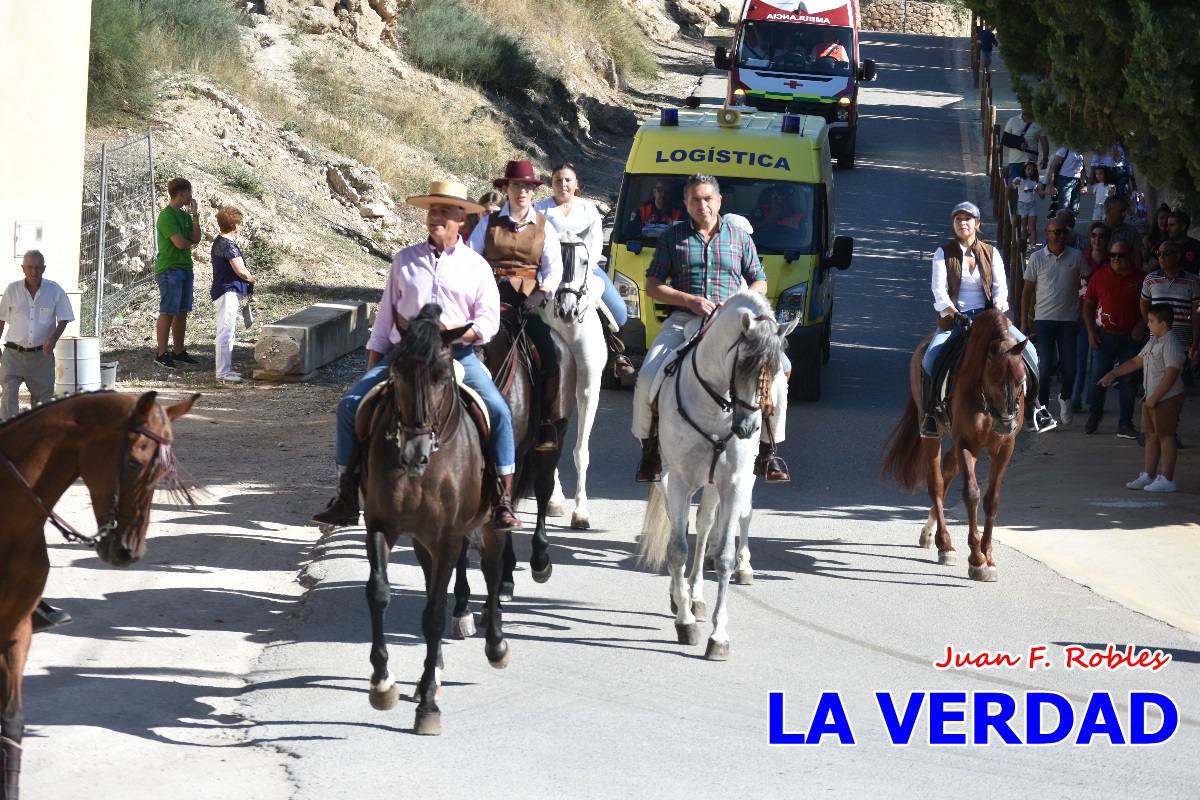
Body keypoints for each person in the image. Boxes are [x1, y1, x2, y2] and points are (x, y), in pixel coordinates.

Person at [312, 179, 521, 531]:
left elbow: (488, 321)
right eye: (432, 210)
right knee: (350, 405)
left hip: (458, 355)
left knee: (499, 412)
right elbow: (384, 320)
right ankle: (347, 492)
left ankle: (503, 498)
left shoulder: (477, 266)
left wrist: (456, 334)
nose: (435, 216)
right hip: (404, 356)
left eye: (443, 210)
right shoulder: (404, 260)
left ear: (461, 218)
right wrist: (374, 365)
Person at [632, 173, 792, 483]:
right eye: (695, 199)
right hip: (684, 320)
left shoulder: (739, 238)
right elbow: (652, 285)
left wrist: (738, 301)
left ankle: (769, 452)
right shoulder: (672, 237)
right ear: (686, 204)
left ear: (719, 201)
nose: (702, 205)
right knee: (647, 376)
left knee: (777, 378)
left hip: (733, 324)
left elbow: (760, 280)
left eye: (708, 198)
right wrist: (689, 300)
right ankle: (649, 449)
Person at [920, 202, 1053, 437]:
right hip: (955, 320)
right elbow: (939, 292)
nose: (962, 223)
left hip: (990, 319)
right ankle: (932, 413)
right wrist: (955, 314)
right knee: (930, 359)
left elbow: (1001, 290)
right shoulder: (944, 253)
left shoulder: (991, 253)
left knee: (1030, 351)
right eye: (958, 219)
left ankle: (1036, 407)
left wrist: (996, 312)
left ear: (977, 223)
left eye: (967, 218)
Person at [467, 159, 566, 451]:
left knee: (550, 354)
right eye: (516, 186)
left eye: (526, 187)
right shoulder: (488, 222)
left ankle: (547, 421)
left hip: (527, 302)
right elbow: (472, 258)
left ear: (533, 192)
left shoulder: (545, 227)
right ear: (506, 189)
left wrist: (542, 292)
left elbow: (553, 268)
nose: (521, 192)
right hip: (490, 296)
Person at [535, 163, 635, 377]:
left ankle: (615, 354)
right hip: (548, 269)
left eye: (567, 180)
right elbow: (535, 242)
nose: (563, 184)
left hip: (584, 269)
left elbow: (595, 242)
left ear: (576, 184)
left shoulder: (588, 208)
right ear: (551, 184)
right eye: (558, 180)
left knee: (619, 311)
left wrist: (585, 272)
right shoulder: (540, 209)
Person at [1100, 304, 1184, 493]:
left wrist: (1155, 398)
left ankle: (1167, 479)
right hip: (1151, 397)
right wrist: (1113, 374)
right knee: (1151, 436)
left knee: (1166, 437)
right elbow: (1136, 362)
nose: (1148, 324)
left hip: (1166, 398)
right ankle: (1149, 475)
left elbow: (1171, 375)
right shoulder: (1154, 341)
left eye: (1152, 321)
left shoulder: (1171, 343)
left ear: (1163, 323)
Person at [1022, 219, 1086, 426]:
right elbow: (1027, 292)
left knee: (1070, 368)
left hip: (1068, 321)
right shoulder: (1037, 258)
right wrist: (1024, 322)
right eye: (1054, 232)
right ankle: (1043, 412)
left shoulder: (1076, 257)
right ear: (1047, 234)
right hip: (1043, 320)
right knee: (1045, 367)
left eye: (1061, 231)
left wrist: (1083, 311)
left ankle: (1065, 398)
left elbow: (1089, 284)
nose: (1058, 235)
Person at [0, 250, 74, 419]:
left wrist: (53, 339)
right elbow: (1, 319)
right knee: (8, 398)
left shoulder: (54, 290)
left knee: (42, 404)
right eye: (30, 267)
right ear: (23, 268)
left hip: (42, 355)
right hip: (13, 354)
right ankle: (9, 439)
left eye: (38, 267)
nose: (34, 271)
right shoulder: (12, 290)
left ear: (44, 268)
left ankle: (36, 439)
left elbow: (64, 318)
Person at [1083, 239, 1144, 437]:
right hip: (1104, 337)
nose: (1116, 259)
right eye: (1113, 255)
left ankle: (1125, 423)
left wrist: (1142, 324)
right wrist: (1091, 331)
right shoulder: (1100, 276)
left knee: (1129, 381)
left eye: (1121, 255)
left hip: (1131, 339)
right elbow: (1089, 304)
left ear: (1131, 256)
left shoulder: (1142, 278)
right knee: (1098, 378)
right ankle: (1095, 413)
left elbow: (1149, 306)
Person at [154, 177, 203, 370]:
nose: (191, 197)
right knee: (168, 312)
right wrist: (188, 241)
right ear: (182, 193)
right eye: (189, 193)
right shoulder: (166, 216)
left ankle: (178, 351)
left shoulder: (184, 216)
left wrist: (195, 216)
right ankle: (161, 353)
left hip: (185, 268)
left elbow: (195, 237)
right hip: (170, 270)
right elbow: (180, 243)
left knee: (182, 311)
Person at [210, 206, 254, 384]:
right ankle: (222, 373)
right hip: (227, 291)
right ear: (235, 225)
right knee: (226, 331)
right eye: (240, 224)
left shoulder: (221, 241)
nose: (241, 227)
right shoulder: (227, 245)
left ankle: (225, 370)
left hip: (228, 291)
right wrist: (252, 278)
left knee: (229, 330)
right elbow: (241, 271)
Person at [1140, 240, 1200, 365]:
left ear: (1177, 256)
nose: (1161, 257)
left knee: (1178, 381)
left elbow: (1196, 313)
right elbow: (1143, 304)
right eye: (1159, 253)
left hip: (1182, 343)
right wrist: (1150, 324)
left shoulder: (1193, 281)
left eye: (1166, 254)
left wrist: (1195, 342)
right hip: (1157, 341)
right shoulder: (1150, 279)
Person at [1071, 222, 1109, 411]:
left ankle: (1093, 400)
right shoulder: (1080, 258)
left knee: (1097, 364)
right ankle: (1075, 398)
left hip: (1103, 319)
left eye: (1102, 236)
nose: (1097, 239)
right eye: (1094, 235)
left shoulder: (1113, 260)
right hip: (1079, 316)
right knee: (1079, 361)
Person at [1001, 110, 1048, 186]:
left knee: (1029, 188)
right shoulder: (1012, 121)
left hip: (1031, 162)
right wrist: (1018, 144)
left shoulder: (1039, 123)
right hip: (1015, 161)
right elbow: (1005, 140)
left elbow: (1044, 142)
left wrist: (1045, 158)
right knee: (1014, 188)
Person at [1044, 147, 1086, 219]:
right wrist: (1051, 185)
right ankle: (1060, 228)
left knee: (1074, 208)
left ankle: (1070, 228)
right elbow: (1053, 167)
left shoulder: (1080, 150)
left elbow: (1082, 170)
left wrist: (1084, 185)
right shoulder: (1064, 150)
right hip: (1064, 180)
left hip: (1077, 181)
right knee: (1063, 208)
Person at [1011, 162, 1043, 249]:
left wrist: (1042, 191)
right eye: (1028, 169)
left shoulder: (1034, 181)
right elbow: (1013, 185)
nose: (1030, 171)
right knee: (1024, 227)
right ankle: (1024, 245)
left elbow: (1039, 192)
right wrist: (1015, 183)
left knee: (1033, 226)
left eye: (1032, 170)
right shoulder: (1019, 179)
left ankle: (1033, 245)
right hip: (1022, 205)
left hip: (1032, 205)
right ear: (1024, 169)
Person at [1167, 210, 1200, 274]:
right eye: (1167, 225)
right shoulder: (1164, 246)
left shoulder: (1196, 246)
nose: (1167, 229)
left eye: (1172, 225)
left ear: (1183, 226)